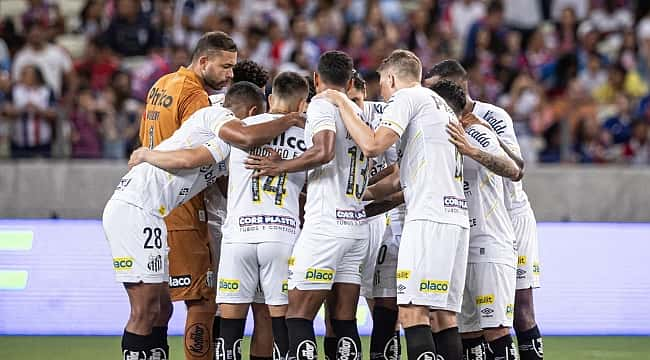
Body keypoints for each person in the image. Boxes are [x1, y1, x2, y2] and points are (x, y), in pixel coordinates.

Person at [107, 81, 303, 360]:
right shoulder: (222, 127)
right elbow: (192, 158)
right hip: (136, 208)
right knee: (145, 309)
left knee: (162, 309)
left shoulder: (230, 138)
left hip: (154, 214)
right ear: (252, 112)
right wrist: (146, 154)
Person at [309, 50, 469, 360]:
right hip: (454, 217)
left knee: (410, 310)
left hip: (428, 217)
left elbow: (371, 146)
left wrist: (340, 101)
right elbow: (399, 179)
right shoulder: (440, 106)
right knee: (444, 316)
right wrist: (357, 195)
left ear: (392, 78)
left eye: (382, 81)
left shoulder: (405, 98)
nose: (382, 90)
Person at [245, 50, 369, 360]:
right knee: (344, 320)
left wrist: (281, 165)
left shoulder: (323, 106)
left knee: (297, 316)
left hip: (326, 226)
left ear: (316, 79)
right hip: (356, 226)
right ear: (351, 80)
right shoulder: (359, 115)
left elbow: (325, 151)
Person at [426, 59, 543, 360]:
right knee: (470, 319)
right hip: (468, 223)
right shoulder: (440, 124)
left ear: (457, 87)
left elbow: (517, 168)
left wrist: (479, 141)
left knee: (518, 310)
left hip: (508, 218)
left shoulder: (491, 117)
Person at [215, 72, 309, 360]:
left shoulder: (240, 127)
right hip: (281, 237)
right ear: (303, 104)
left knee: (229, 330)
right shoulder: (309, 135)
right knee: (279, 324)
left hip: (238, 236)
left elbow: (217, 173)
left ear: (270, 99)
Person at [438, 79, 522, 360]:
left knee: (496, 331)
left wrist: (471, 149)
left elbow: (513, 170)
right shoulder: (440, 138)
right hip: (459, 245)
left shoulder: (475, 131)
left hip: (489, 244)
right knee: (468, 333)